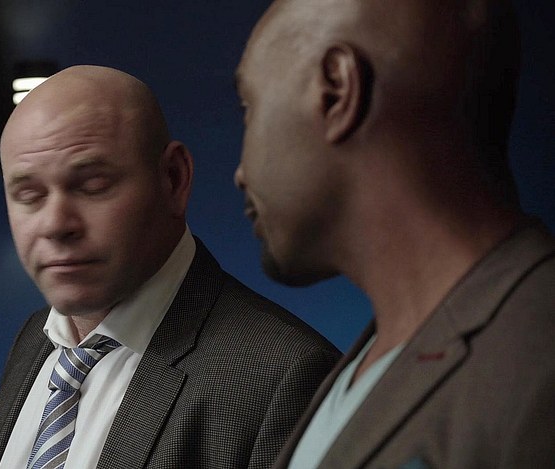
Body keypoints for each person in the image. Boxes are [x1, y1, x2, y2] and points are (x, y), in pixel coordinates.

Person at [233, 0, 555, 468]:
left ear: (336, 90)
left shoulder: (538, 364)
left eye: (248, 107)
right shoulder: (366, 365)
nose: (240, 174)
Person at [0, 65, 340, 469]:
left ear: (174, 179)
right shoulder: (33, 340)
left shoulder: (287, 378)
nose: (55, 224)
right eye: (28, 194)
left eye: (93, 185)